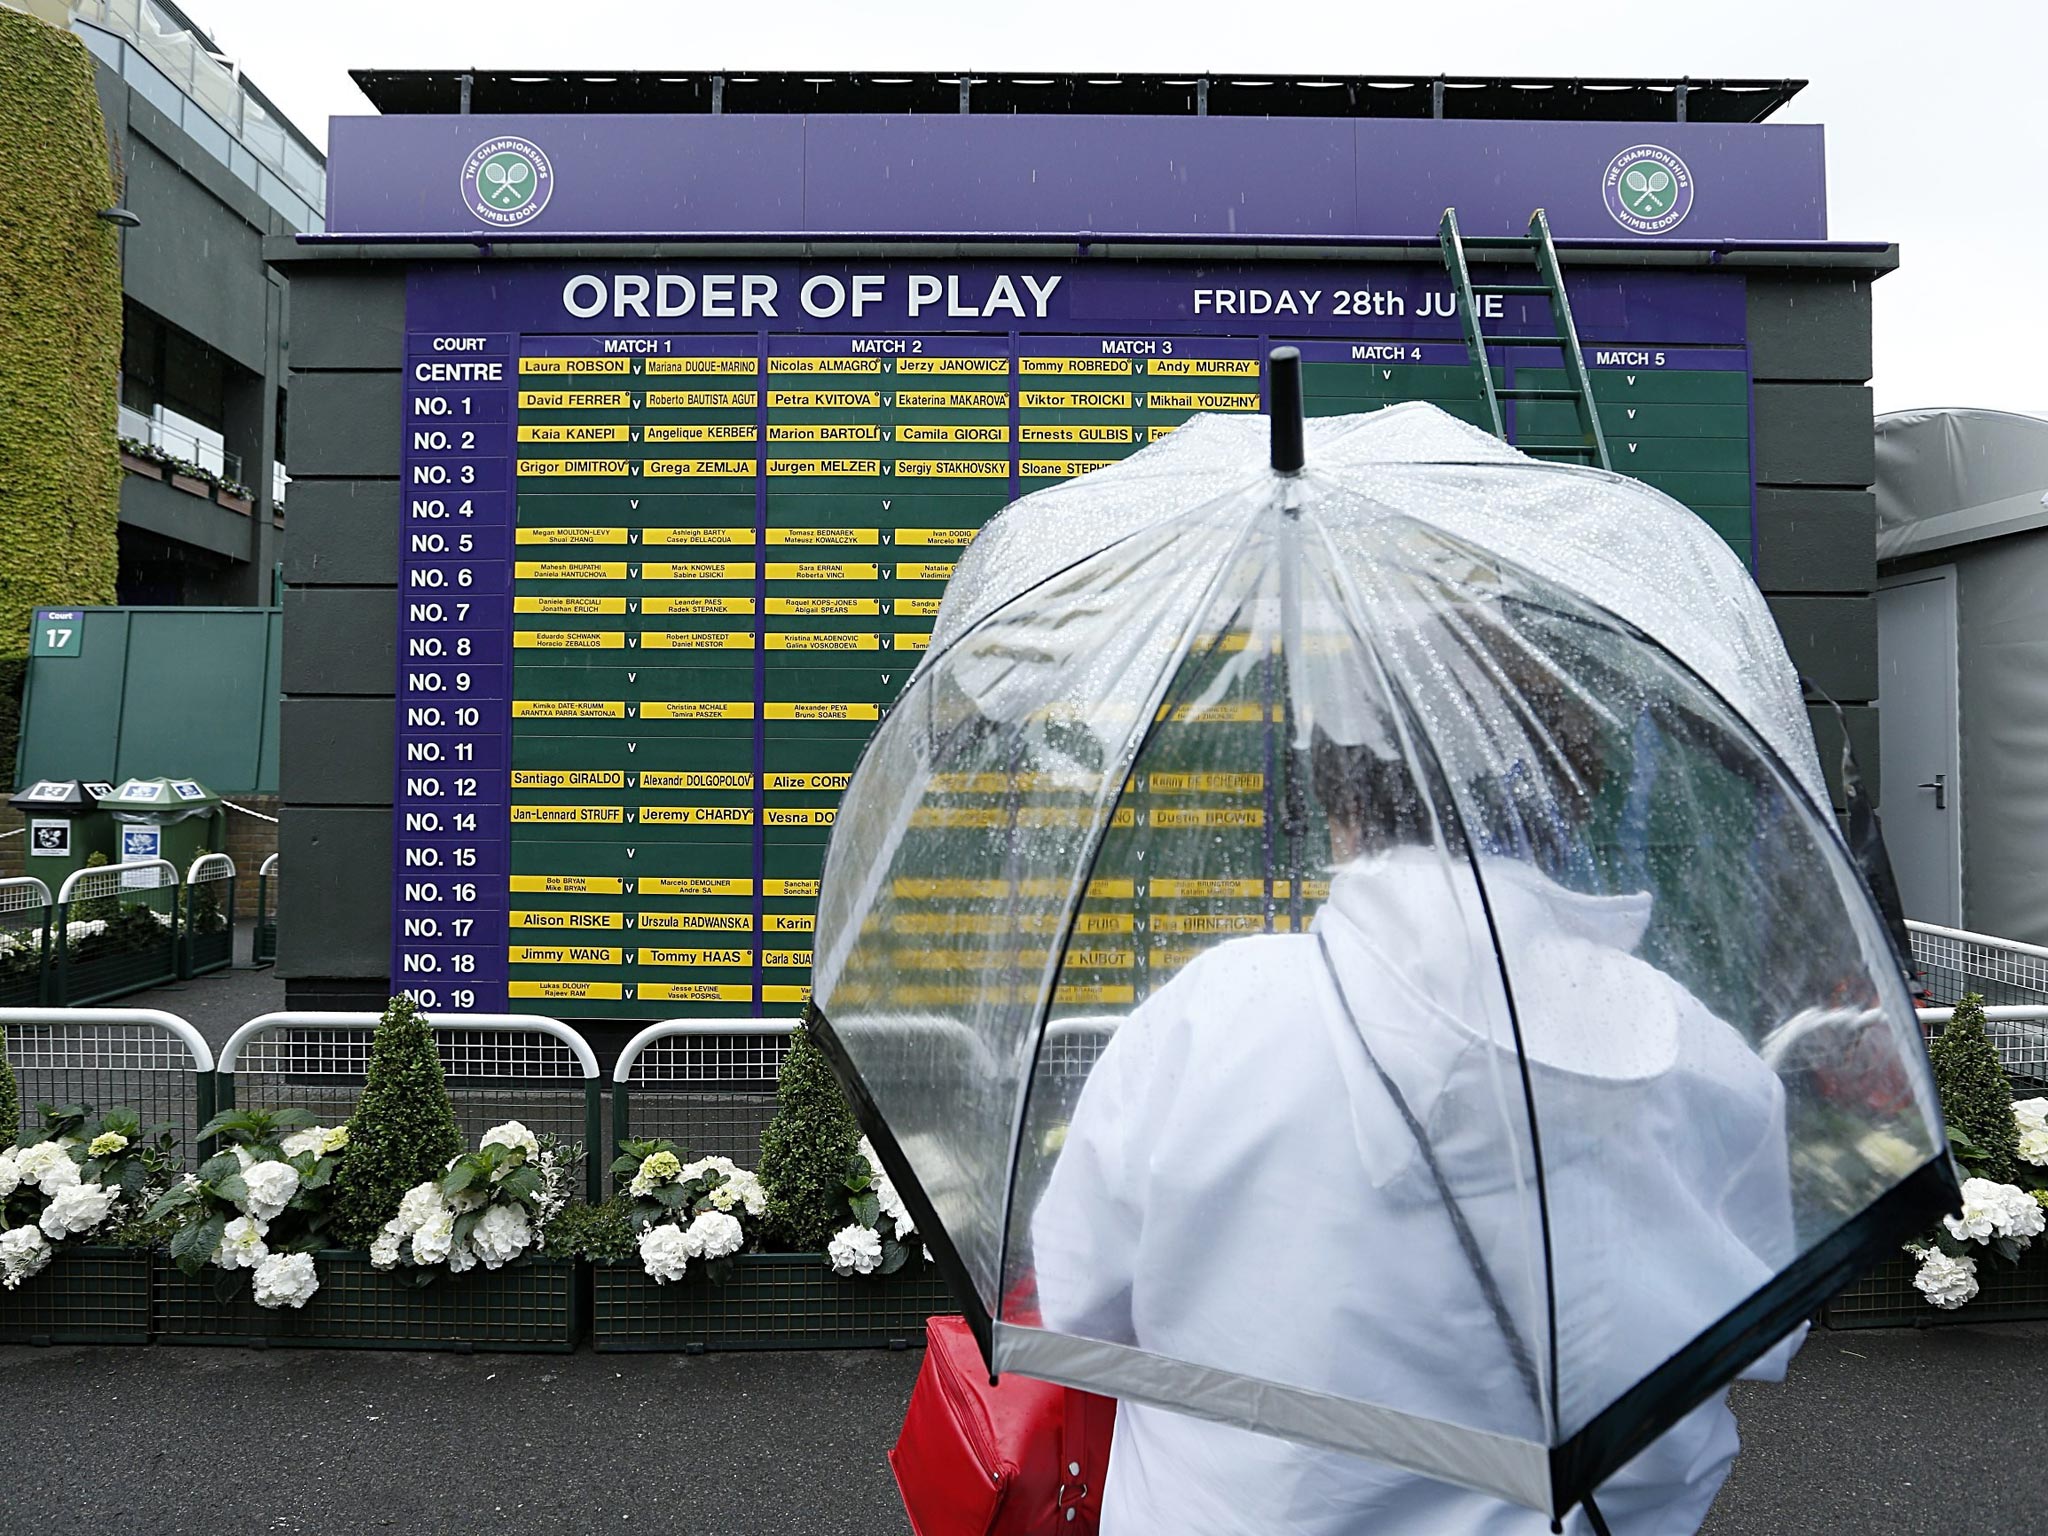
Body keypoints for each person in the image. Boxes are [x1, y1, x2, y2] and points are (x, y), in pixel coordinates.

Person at [1030, 669, 1805, 1535]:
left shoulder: (1211, 1016)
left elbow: (1078, 1307)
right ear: (1574, 799)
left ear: (1343, 804)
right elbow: (1764, 1333)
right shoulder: (1710, 1063)